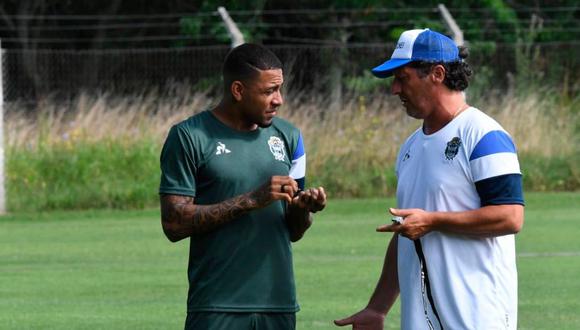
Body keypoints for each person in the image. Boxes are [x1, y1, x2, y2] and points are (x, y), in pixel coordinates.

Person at [334, 29, 525, 330]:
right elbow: (407, 230)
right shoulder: (410, 147)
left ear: (437, 73)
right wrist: (377, 308)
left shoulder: (485, 136)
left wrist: (433, 221)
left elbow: (510, 217)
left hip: (477, 319)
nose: (395, 89)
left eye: (402, 77)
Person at [159, 43, 326, 330]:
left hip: (278, 305)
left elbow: (294, 232)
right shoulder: (189, 136)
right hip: (216, 306)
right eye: (268, 91)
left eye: (280, 89)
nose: (279, 100)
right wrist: (252, 200)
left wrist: (303, 210)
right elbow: (174, 224)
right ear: (238, 90)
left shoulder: (289, 137)